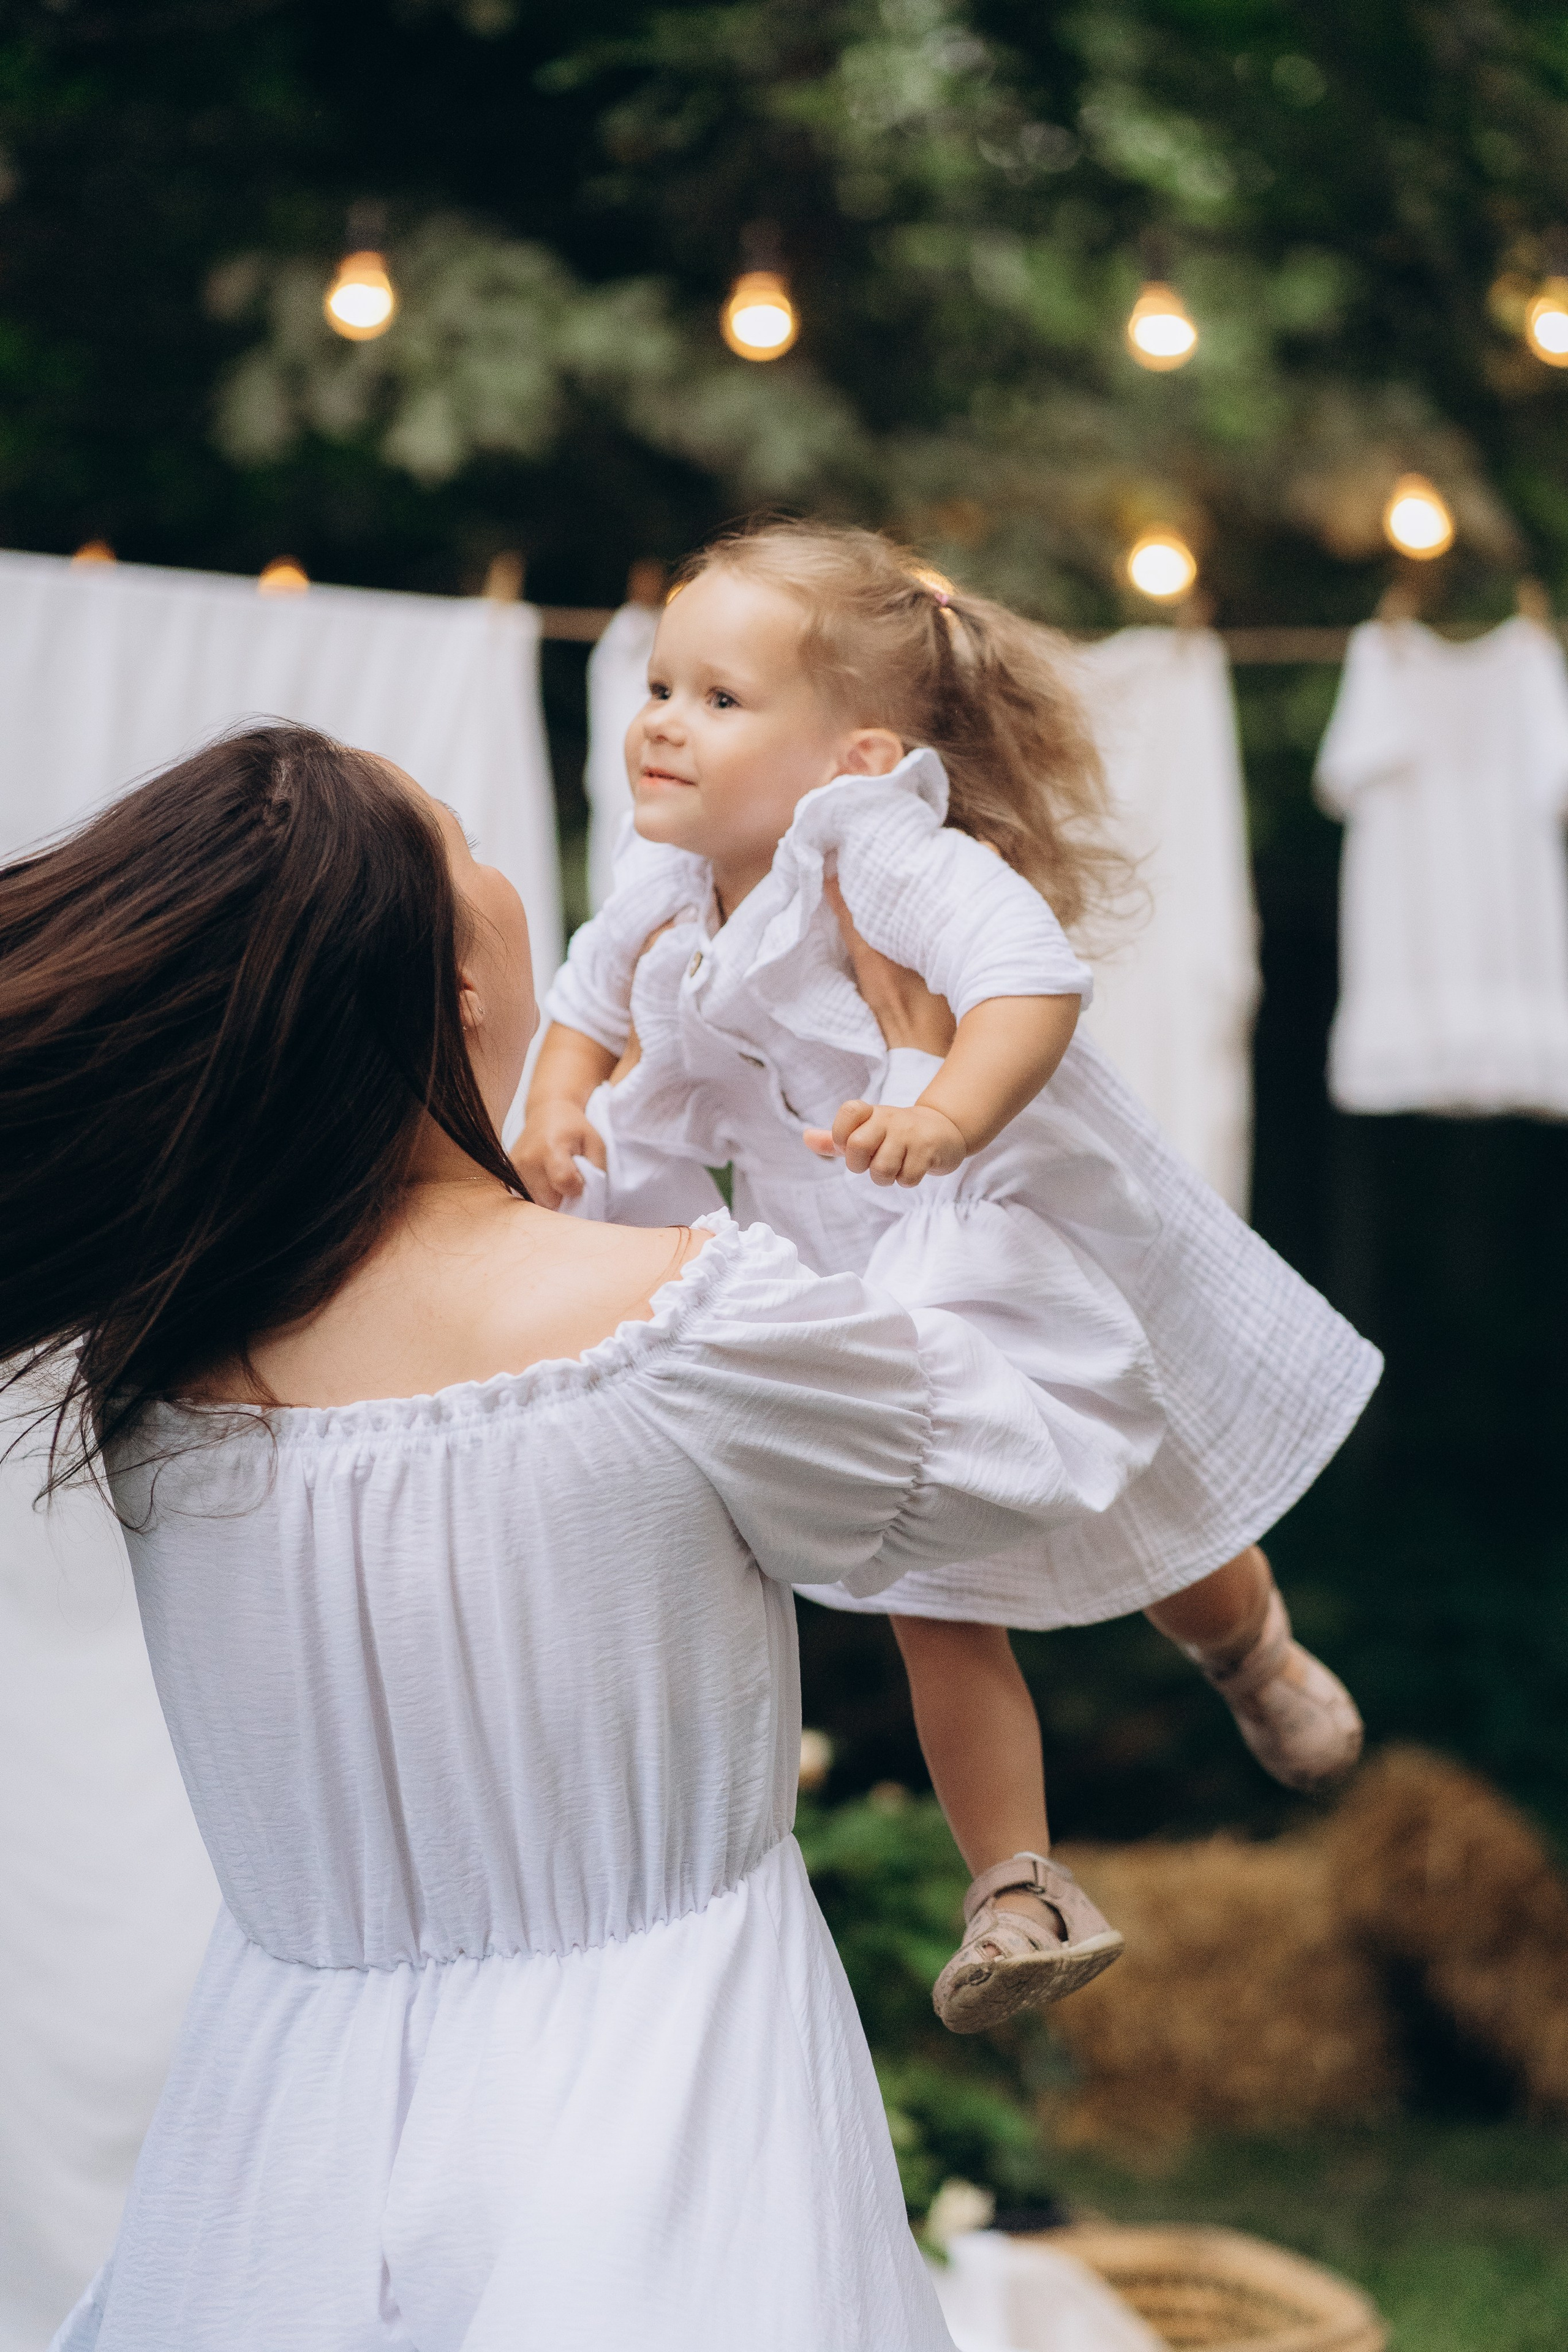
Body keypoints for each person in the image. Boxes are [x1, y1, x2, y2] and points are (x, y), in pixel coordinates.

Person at [0, 723, 1101, 2350]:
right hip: (666, 2124)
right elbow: (1037, 1468)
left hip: (273, 2156)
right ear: (444, 988)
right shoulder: (678, 1319)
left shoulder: (155, 1386)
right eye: (466, 845)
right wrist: (913, 1110)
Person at [516, 521, 1381, 2034]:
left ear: (850, 756)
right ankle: (1018, 1887)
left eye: (721, 700)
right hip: (855, 1263)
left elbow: (1028, 985)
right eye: (661, 685)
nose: (661, 719)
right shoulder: (662, 891)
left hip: (1000, 1209)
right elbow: (583, 1013)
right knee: (930, 1583)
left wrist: (942, 1112)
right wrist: (556, 1108)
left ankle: (1247, 1649)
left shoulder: (880, 849)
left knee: (1151, 1492)